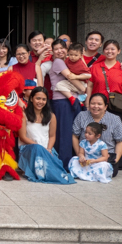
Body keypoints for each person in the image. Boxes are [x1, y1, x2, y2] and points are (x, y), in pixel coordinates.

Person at [17, 87, 73, 185]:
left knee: (57, 171)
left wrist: (49, 149)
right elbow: (23, 137)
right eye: (38, 98)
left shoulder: (51, 116)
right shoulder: (24, 115)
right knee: (38, 150)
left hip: (47, 149)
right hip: (29, 149)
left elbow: (52, 136)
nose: (41, 102)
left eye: (44, 99)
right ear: (31, 99)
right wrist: (39, 148)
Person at [86, 40, 122, 141]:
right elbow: (89, 86)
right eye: (107, 49)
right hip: (97, 107)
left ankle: (117, 157)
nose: (109, 51)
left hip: (116, 106)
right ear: (103, 51)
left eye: (113, 49)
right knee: (96, 134)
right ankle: (98, 156)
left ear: (118, 51)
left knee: (117, 135)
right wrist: (88, 102)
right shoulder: (96, 67)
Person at [72, 93, 122, 177]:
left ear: (105, 106)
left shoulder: (115, 119)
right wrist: (80, 155)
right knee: (73, 162)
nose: (95, 106)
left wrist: (115, 160)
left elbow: (120, 140)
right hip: (85, 157)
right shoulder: (81, 116)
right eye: (93, 103)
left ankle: (88, 174)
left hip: (105, 158)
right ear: (89, 104)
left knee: (105, 168)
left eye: (99, 104)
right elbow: (75, 136)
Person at [48, 40, 83, 170]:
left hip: (69, 100)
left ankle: (69, 163)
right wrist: (84, 90)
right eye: (56, 49)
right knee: (65, 134)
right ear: (52, 51)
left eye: (62, 48)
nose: (59, 51)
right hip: (63, 101)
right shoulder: (58, 62)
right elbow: (70, 77)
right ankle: (64, 165)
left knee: (71, 133)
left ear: (67, 49)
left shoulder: (67, 62)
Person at [53, 42, 90, 106]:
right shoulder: (67, 60)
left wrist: (76, 77)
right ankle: (79, 100)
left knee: (59, 85)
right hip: (73, 84)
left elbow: (89, 75)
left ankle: (73, 98)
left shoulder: (81, 64)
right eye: (71, 54)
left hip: (81, 83)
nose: (73, 57)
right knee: (59, 85)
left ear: (81, 55)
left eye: (76, 55)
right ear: (68, 53)